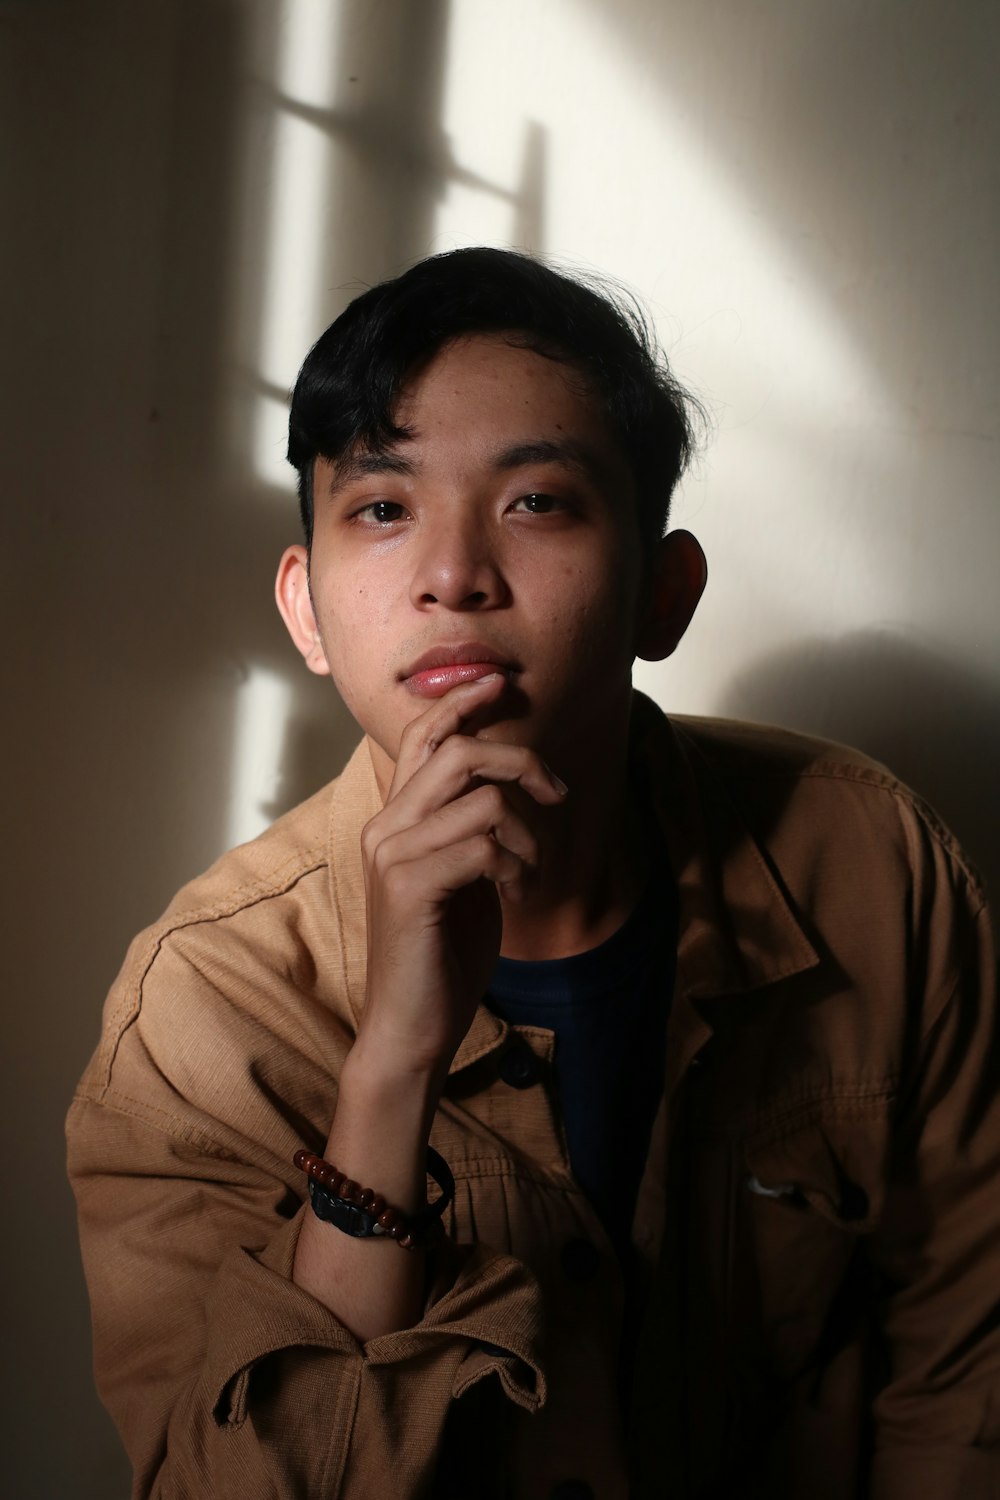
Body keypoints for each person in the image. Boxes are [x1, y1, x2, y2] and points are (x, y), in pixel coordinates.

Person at [67, 247, 999, 1499]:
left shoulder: (868, 859)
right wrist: (391, 1060)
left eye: (538, 501)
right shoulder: (203, 1008)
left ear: (662, 595)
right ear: (305, 608)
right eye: (383, 509)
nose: (452, 575)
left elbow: (961, 1364)